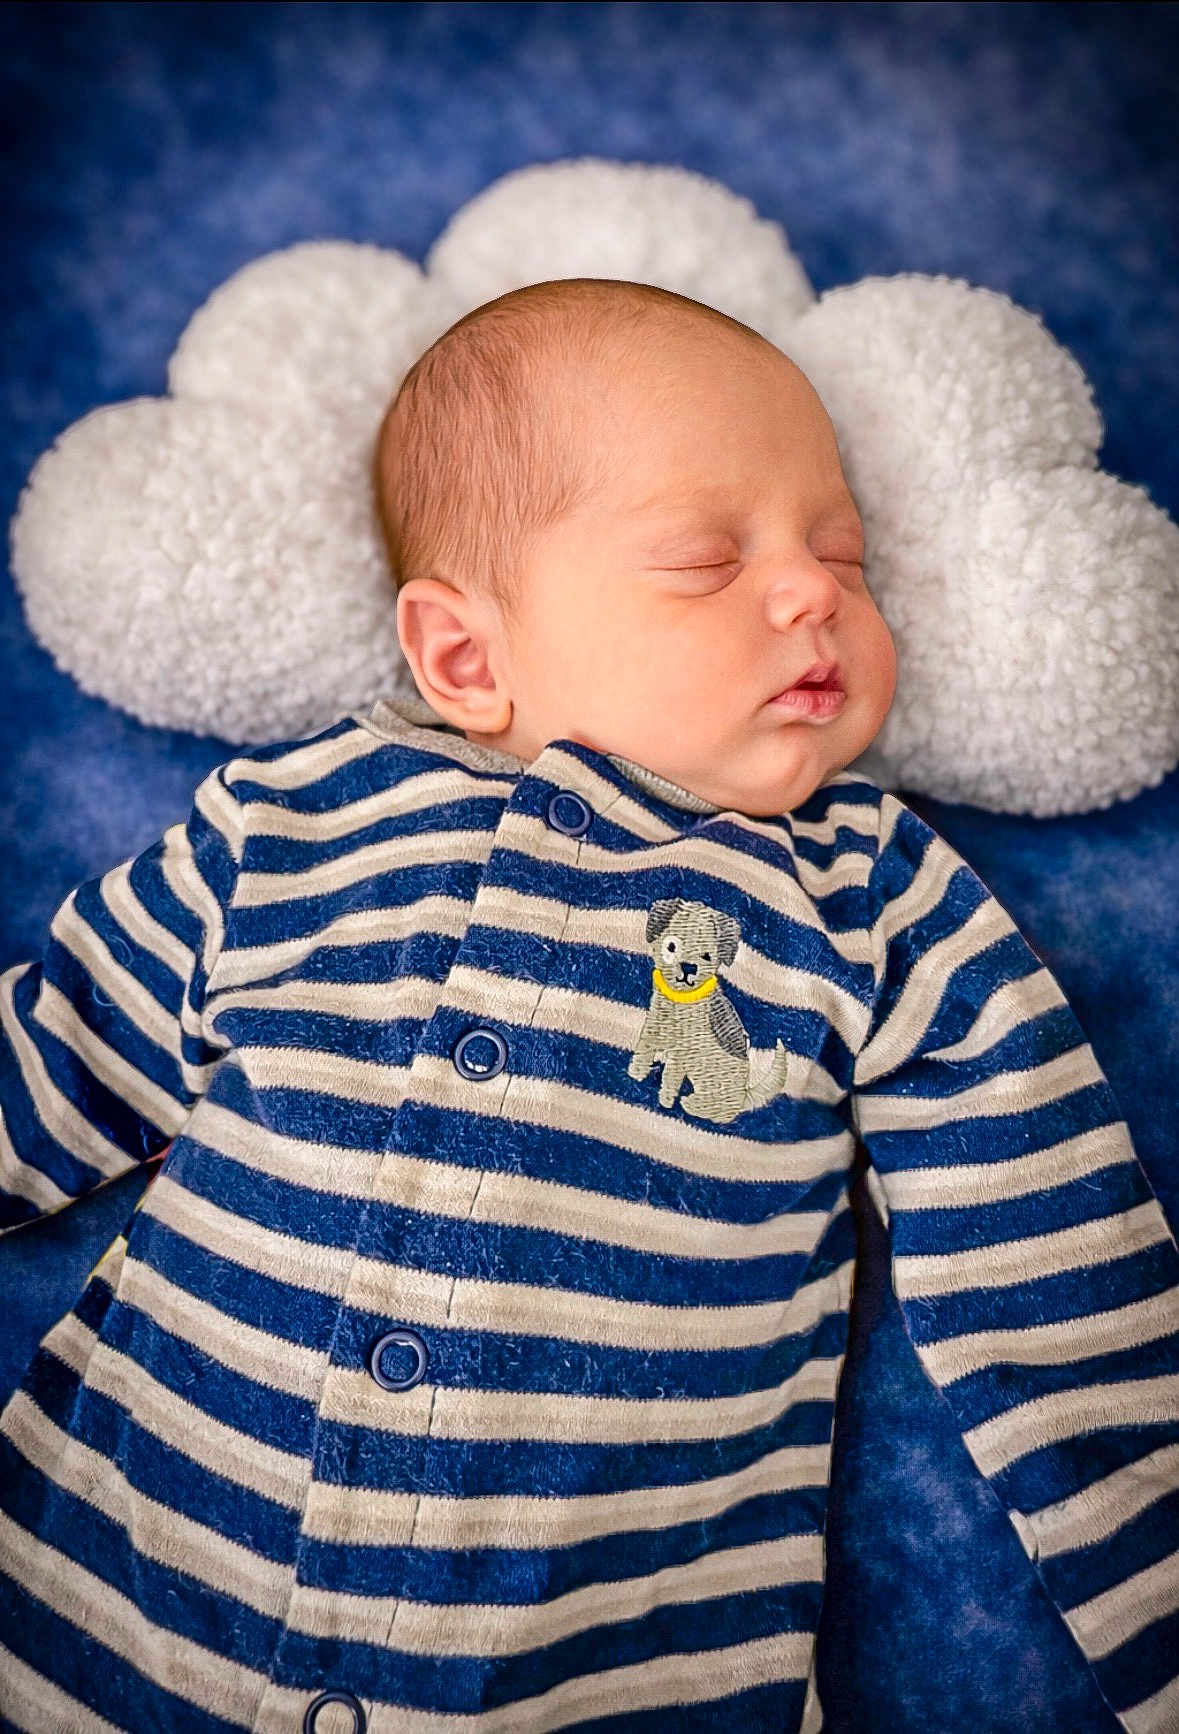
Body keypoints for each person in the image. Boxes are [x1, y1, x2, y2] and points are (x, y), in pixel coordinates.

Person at [0, 278, 1175, 1734]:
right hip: (119, 1629)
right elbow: (56, 1042)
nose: (813, 590)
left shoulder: (869, 896)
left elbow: (1061, 1272)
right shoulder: (300, 820)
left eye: (845, 556)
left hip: (600, 1677)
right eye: (702, 558)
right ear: (469, 659)